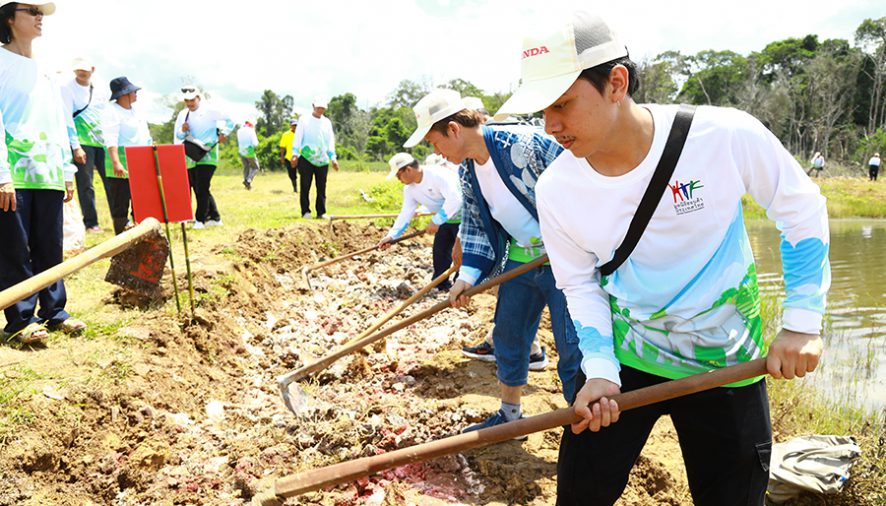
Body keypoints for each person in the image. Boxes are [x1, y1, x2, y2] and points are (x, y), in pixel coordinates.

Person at [494, 12, 831, 505]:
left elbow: (801, 211)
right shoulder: (557, 189)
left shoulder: (723, 137)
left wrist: (802, 322)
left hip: (726, 359)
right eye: (541, 110)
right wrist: (601, 369)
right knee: (580, 493)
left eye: (562, 104)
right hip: (628, 360)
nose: (550, 126)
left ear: (616, 82)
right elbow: (580, 286)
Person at [404, 88, 581, 433]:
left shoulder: (528, 144)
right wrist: (466, 278)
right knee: (509, 336)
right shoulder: (468, 172)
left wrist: (573, 241)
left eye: (435, 142)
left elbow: (585, 181)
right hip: (520, 260)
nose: (435, 151)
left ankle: (583, 419)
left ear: (453, 130)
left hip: (567, 261)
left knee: (573, 343)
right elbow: (474, 227)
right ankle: (510, 414)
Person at [1, 1, 87, 344]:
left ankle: (55, 311)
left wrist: (66, 169)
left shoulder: (48, 68)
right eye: (31, 11)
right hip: (15, 172)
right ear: (9, 17)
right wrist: (1, 173)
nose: (39, 18)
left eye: (41, 12)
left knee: (50, 244)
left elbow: (60, 119)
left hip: (49, 171)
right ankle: (21, 319)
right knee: (15, 247)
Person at [377, 152, 463, 291]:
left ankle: (462, 287)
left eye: (398, 175)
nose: (398, 179)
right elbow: (406, 213)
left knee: (462, 254)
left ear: (408, 170)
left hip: (466, 218)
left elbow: (455, 199)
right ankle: (441, 285)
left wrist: (436, 220)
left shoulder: (437, 175)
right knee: (440, 252)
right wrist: (392, 236)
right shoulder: (410, 189)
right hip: (445, 220)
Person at [61, 56, 109, 233]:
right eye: (78, 69)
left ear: (93, 69)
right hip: (82, 142)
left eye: (85, 69)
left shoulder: (99, 89)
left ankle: (119, 218)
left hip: (102, 142)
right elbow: (67, 117)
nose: (81, 72)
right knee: (85, 184)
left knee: (110, 181)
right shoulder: (67, 88)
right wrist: (75, 146)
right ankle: (91, 222)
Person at [173, 85, 232, 229]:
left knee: (202, 187)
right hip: (192, 157)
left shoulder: (210, 111)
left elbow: (231, 120)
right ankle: (215, 218)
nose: (190, 103)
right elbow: (179, 136)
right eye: (187, 101)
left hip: (208, 155)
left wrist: (224, 133)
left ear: (199, 98)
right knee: (200, 188)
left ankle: (200, 220)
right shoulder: (184, 114)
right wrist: (183, 130)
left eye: (192, 100)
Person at [101, 76, 151, 235]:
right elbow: (110, 139)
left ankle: (139, 235)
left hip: (139, 161)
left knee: (140, 202)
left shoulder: (136, 112)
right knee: (121, 203)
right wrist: (116, 162)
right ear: (124, 94)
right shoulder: (112, 111)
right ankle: (121, 240)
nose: (135, 93)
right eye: (132, 91)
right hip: (121, 163)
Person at [292, 97, 339, 219]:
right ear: (313, 106)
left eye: (323, 108)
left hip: (322, 159)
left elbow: (330, 141)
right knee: (305, 185)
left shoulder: (327, 122)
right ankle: (305, 211)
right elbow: (298, 137)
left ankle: (321, 212)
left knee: (321, 187)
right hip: (307, 158)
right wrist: (294, 154)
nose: (320, 110)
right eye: (318, 107)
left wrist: (333, 157)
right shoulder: (304, 120)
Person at [237, 119, 260, 190]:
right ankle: (248, 180)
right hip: (249, 151)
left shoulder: (239, 130)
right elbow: (255, 143)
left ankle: (246, 184)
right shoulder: (251, 130)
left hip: (241, 151)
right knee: (256, 167)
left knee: (246, 167)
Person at [279, 118, 298, 192]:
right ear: (290, 126)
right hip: (289, 157)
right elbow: (282, 147)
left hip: (300, 157)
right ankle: (295, 188)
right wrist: (282, 157)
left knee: (304, 173)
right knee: (292, 174)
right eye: (293, 125)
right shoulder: (286, 135)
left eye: (296, 125)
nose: (295, 127)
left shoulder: (301, 134)